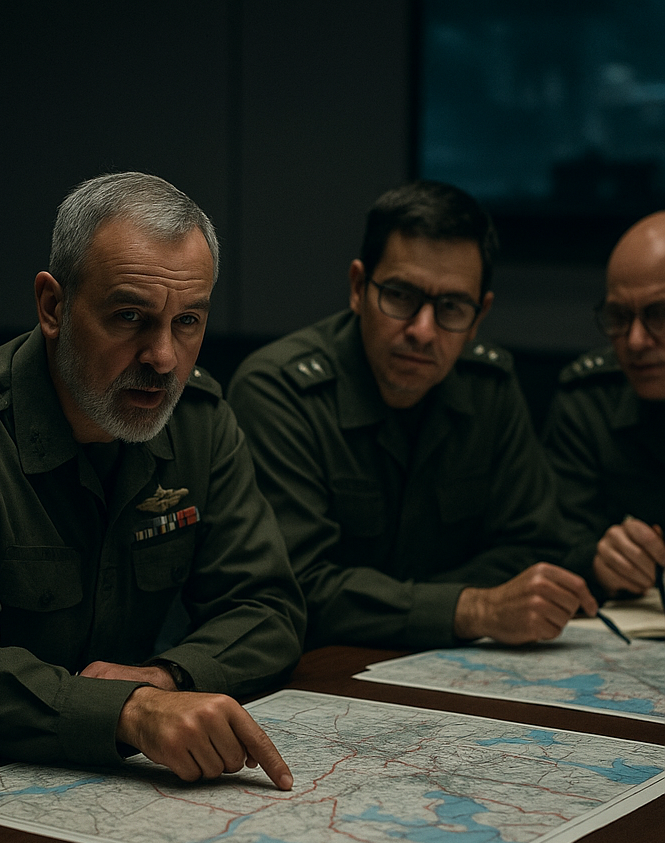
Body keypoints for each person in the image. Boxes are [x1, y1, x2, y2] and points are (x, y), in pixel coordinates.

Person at [0, 172, 305, 788]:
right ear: (54, 307)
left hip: (102, 779)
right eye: (131, 317)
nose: (163, 357)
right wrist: (132, 712)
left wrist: (166, 678)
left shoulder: (199, 420)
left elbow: (267, 607)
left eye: (188, 321)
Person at [228, 180, 597, 651]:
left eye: (451, 307)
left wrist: (405, 605)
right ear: (359, 288)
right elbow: (293, 589)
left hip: (456, 670)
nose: (423, 331)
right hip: (317, 673)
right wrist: (473, 607)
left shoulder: (490, 387)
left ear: (479, 315)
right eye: (401, 296)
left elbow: (537, 550)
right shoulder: (280, 391)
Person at [543, 211, 665, 599]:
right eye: (618, 317)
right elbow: (549, 540)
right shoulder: (589, 400)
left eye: (659, 315)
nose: (634, 342)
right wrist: (597, 560)